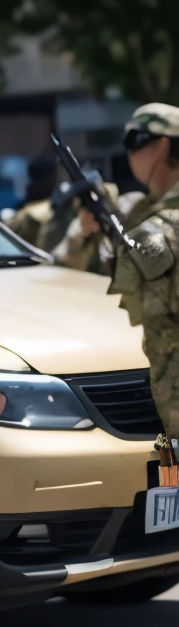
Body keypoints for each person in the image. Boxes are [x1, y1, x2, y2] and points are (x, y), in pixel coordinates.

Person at [104, 102, 179, 434]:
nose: (129, 154)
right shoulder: (144, 216)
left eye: (135, 141)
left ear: (162, 144)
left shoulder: (159, 229)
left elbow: (136, 302)